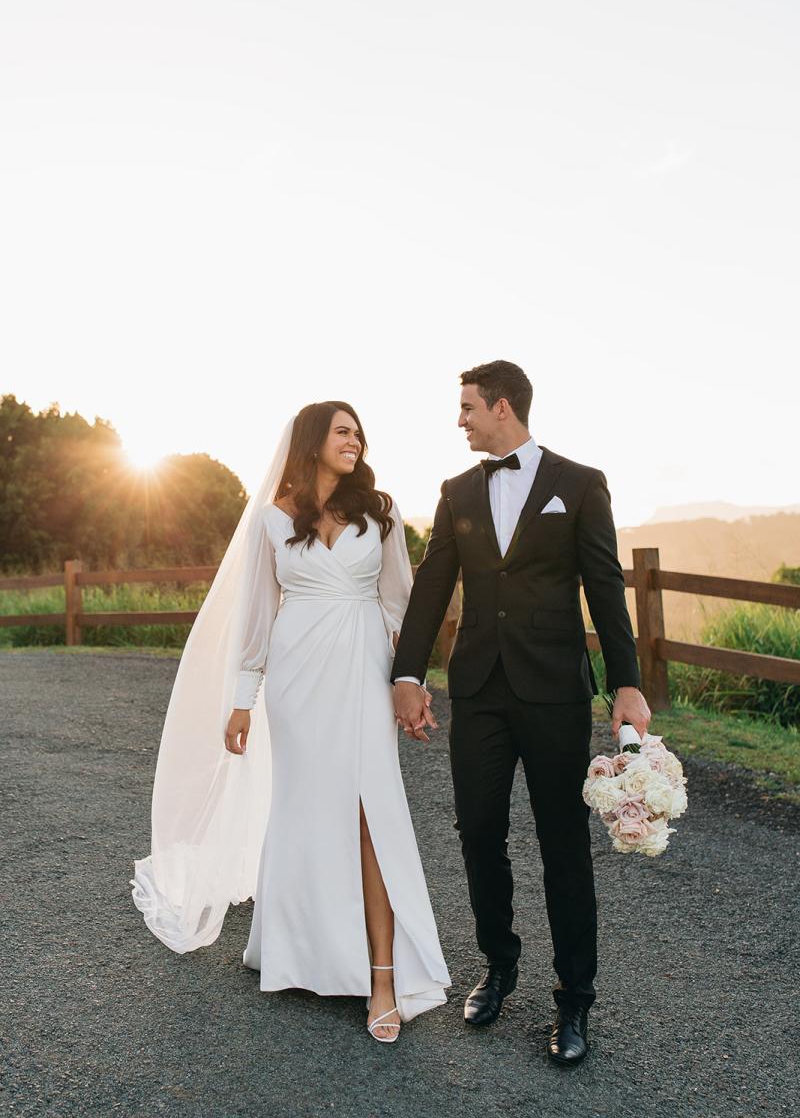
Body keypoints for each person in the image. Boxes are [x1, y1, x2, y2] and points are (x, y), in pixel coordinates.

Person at [132, 402, 450, 1044]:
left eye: (359, 433)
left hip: (362, 670)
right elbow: (256, 611)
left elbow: (401, 605)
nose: (354, 441)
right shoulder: (274, 516)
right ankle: (300, 952)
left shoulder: (380, 511)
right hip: (296, 677)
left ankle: (383, 977)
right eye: (342, 431)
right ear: (311, 441)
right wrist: (243, 698)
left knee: (369, 812)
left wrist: (409, 684)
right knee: (304, 810)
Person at [391, 360, 650, 1066]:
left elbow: (605, 587)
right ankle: (498, 965)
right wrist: (408, 674)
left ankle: (574, 1000)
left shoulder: (579, 484)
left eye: (468, 407)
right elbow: (432, 584)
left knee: (563, 842)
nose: (461, 420)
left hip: (554, 693)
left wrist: (627, 685)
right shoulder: (456, 491)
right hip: (479, 689)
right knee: (478, 832)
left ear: (502, 407)